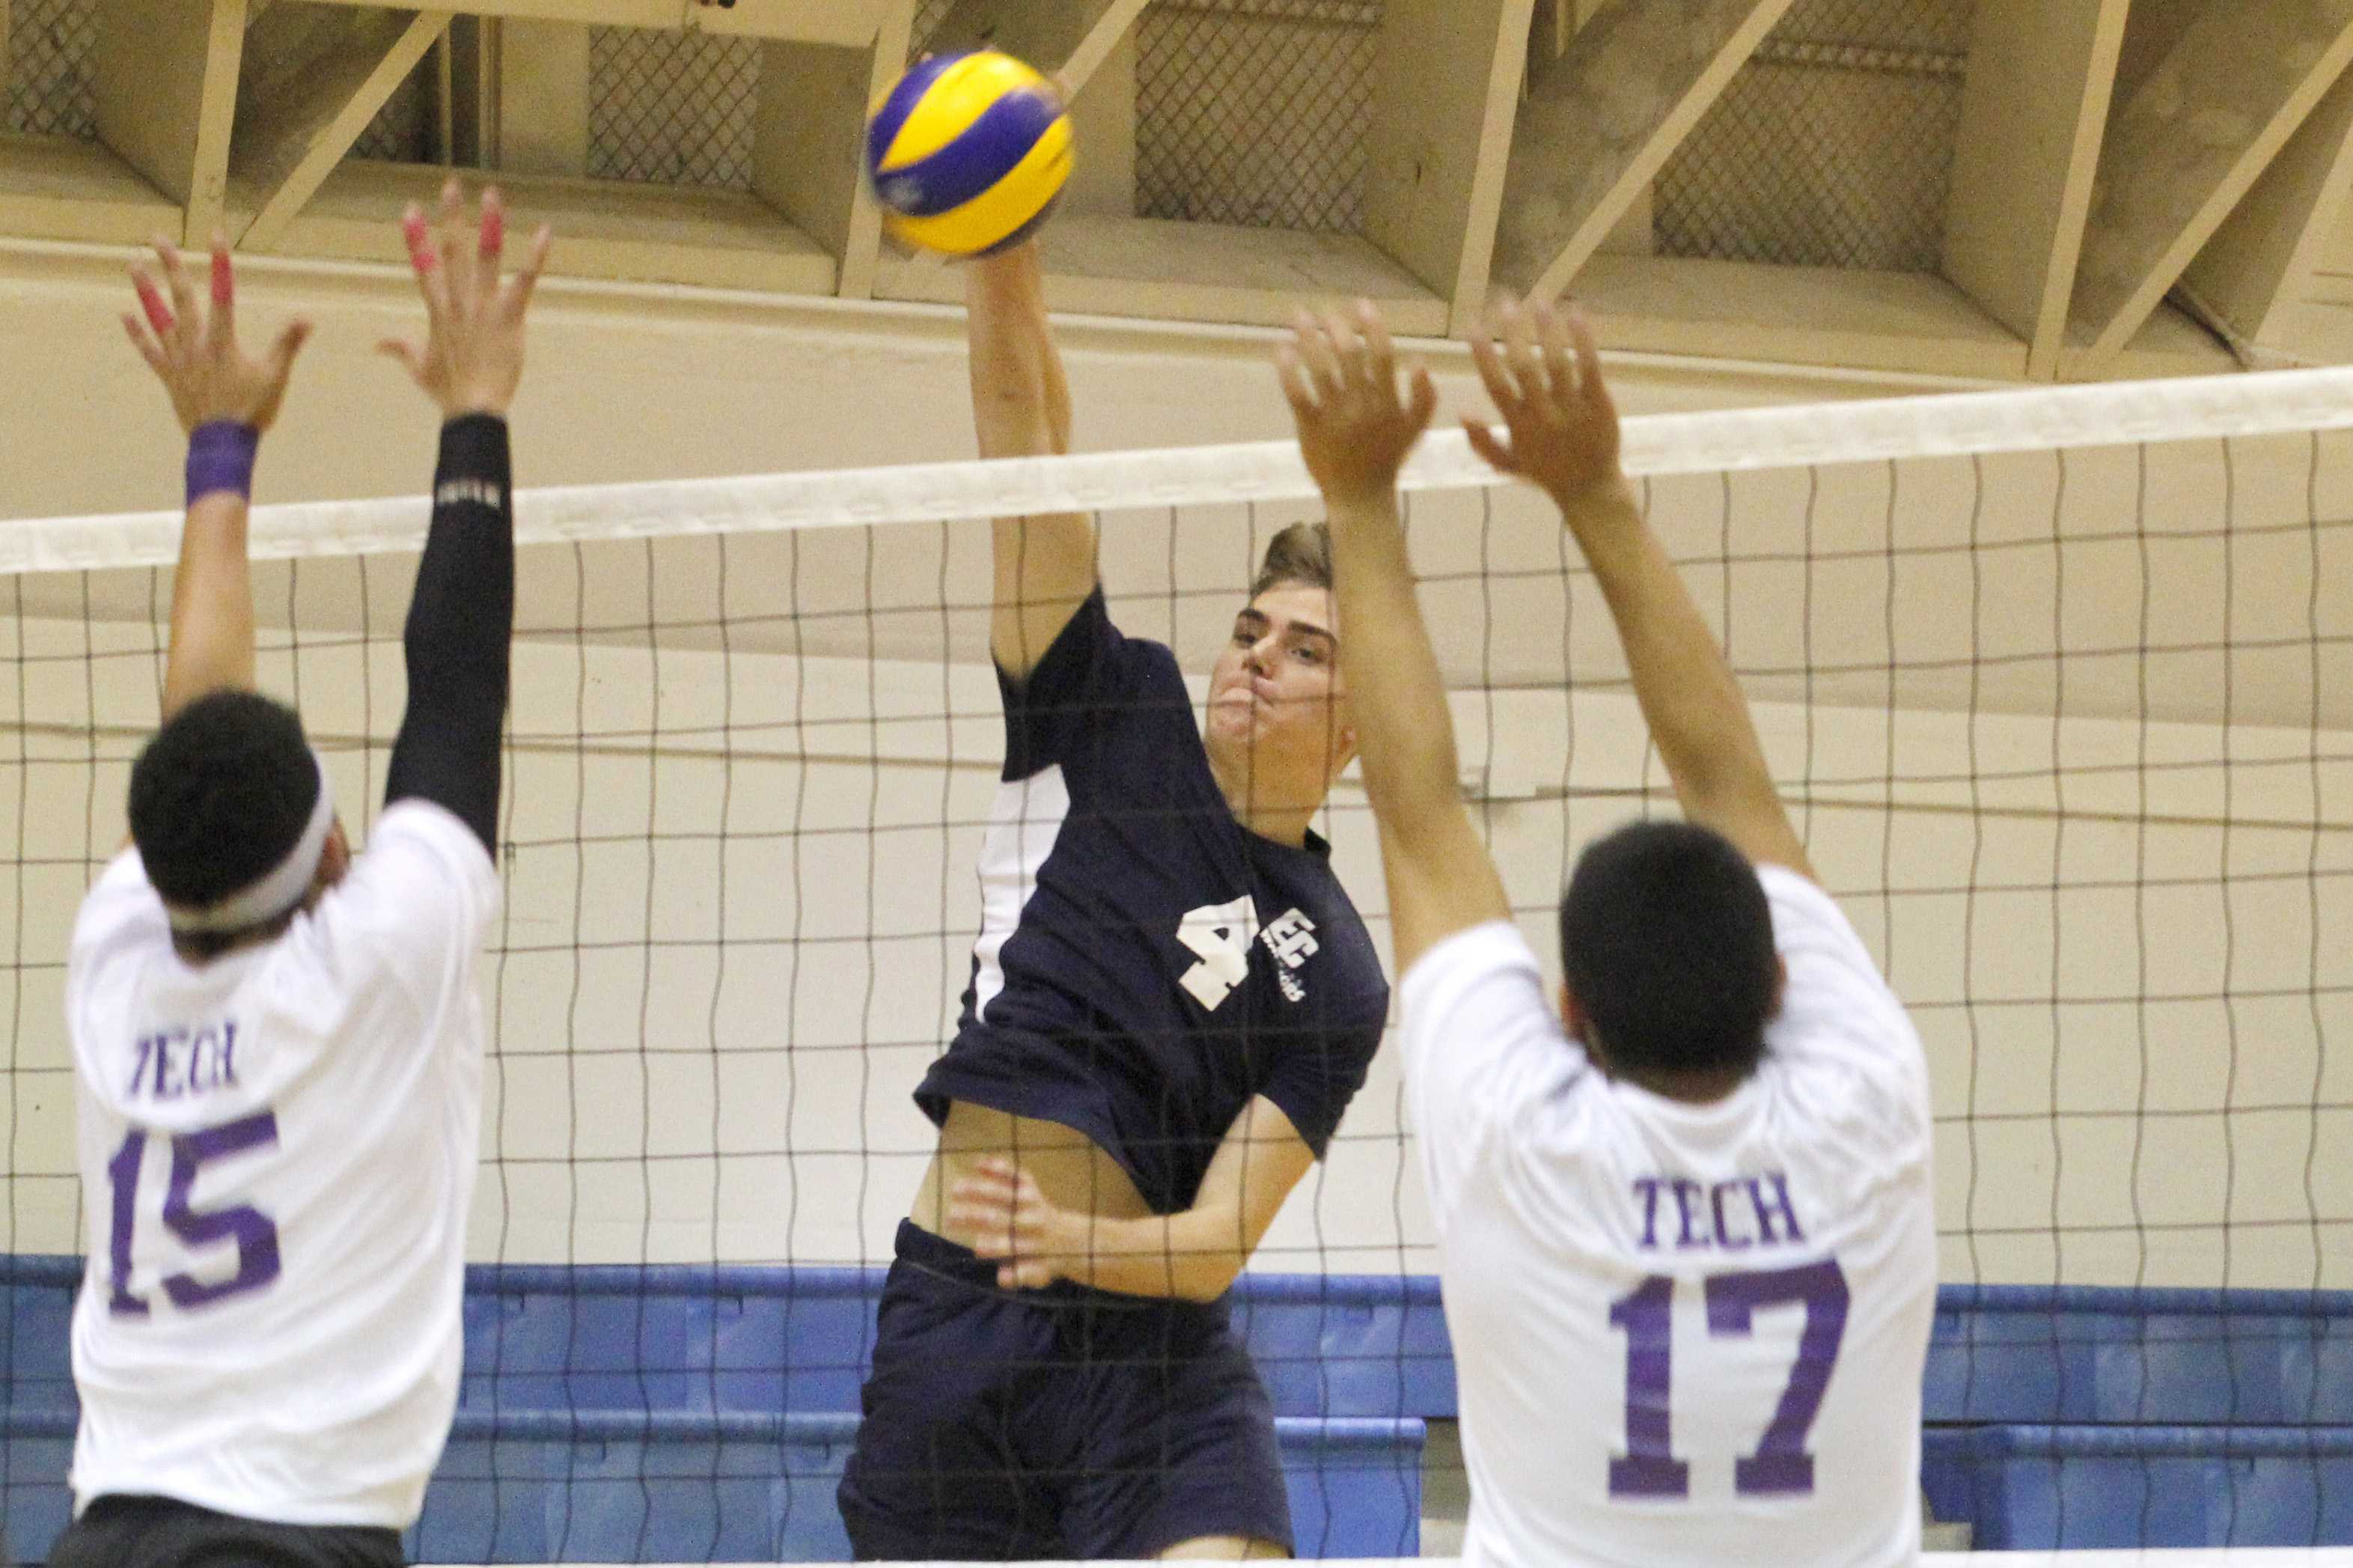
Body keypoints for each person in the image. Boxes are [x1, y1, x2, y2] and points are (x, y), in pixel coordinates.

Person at [1281, 298, 1935, 1567]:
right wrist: (1597, 495)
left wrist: (1356, 505)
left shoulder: (1523, 1137)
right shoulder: (1869, 1097)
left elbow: (1418, 816)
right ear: (1782, 984)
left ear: (1568, 1011)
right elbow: (1730, 783)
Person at [835, 240, 1391, 1562]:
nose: (1260, 659)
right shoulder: (1109, 705)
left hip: (1146, 1351)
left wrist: (1075, 1239)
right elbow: (1029, 453)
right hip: (958, 1313)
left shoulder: (1340, 975)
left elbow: (1210, 1248)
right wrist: (1004, 257)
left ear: (1361, 723)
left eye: (1306, 650)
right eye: (1253, 628)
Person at [50, 184, 547, 1568]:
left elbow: (217, 725)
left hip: (109, 1529)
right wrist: (477, 409)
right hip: (290, 1541)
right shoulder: (375, 959)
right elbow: (456, 687)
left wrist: (222, 450)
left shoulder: (119, 967)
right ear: (334, 850)